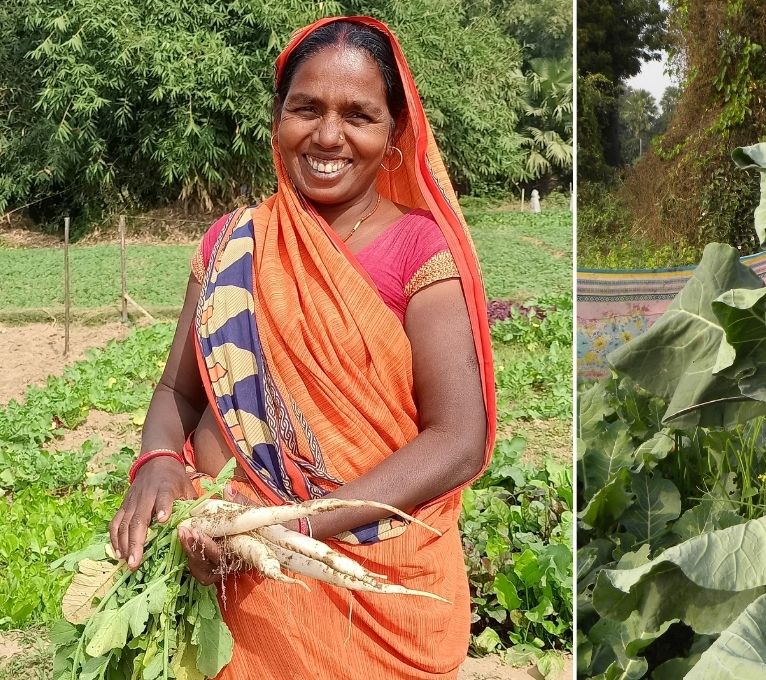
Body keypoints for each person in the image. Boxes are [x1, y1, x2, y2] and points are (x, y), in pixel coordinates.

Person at [107, 16, 496, 679]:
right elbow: (178, 392)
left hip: (375, 585)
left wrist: (294, 530)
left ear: (393, 134)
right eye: (306, 109)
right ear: (277, 117)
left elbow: (458, 436)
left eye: (359, 115)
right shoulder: (234, 243)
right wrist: (157, 462)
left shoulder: (419, 252)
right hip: (236, 576)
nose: (327, 135)